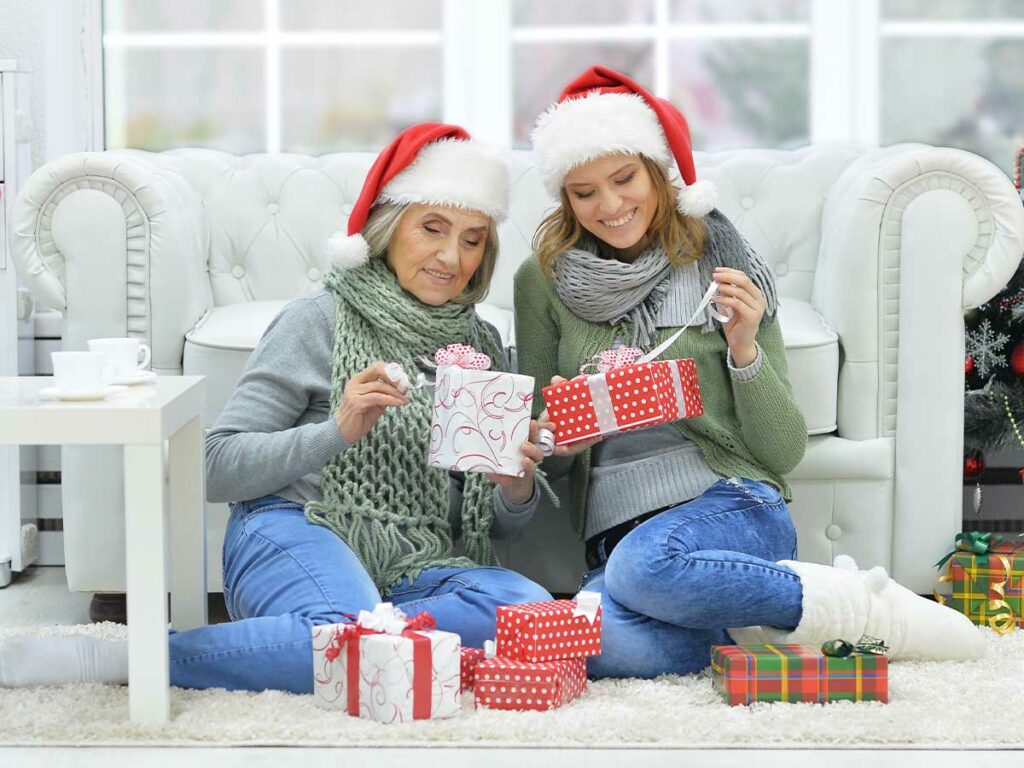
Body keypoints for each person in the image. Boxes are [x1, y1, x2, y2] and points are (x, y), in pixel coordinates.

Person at [0, 123, 550, 692]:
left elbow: (488, 525)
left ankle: (362, 639)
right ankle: (125, 663)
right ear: (388, 230)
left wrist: (513, 485)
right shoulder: (317, 320)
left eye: (472, 238)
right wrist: (336, 431)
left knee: (528, 609)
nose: (450, 256)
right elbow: (213, 466)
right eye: (432, 229)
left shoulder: (480, 347)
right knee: (342, 633)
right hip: (294, 527)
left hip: (411, 564)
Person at [515, 66, 983, 679]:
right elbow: (544, 450)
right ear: (566, 199)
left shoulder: (721, 266)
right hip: (615, 534)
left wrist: (743, 350)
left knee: (641, 569)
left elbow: (782, 450)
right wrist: (555, 441)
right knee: (590, 644)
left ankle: (860, 613)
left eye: (625, 178)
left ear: (658, 173)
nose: (609, 205)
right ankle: (748, 626)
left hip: (731, 505)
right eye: (584, 191)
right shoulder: (542, 283)